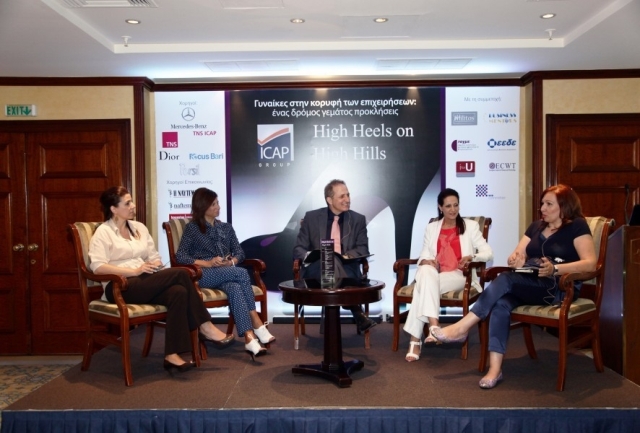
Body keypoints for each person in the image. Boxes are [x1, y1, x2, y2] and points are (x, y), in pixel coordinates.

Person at [431, 184, 597, 389]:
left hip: (557, 287)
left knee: (506, 279)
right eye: (542, 204)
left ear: (564, 206)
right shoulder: (536, 227)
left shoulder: (577, 226)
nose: (542, 208)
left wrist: (555, 269)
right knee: (501, 304)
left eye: (548, 204)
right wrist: (515, 260)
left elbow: (590, 263)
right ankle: (495, 370)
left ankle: (463, 327)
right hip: (529, 282)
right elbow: (518, 255)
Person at [89, 186, 234, 372]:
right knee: (182, 273)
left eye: (132, 201)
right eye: (127, 203)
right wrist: (134, 271)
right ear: (113, 209)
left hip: (145, 281)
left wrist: (155, 265)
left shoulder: (139, 228)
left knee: (178, 292)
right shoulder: (103, 232)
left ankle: (172, 355)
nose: (133, 206)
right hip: (119, 286)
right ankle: (205, 326)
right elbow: (98, 267)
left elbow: (154, 256)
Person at [175, 187, 275, 360]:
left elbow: (240, 252)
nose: (218, 207)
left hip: (227, 272)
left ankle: (249, 337)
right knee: (242, 274)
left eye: (217, 203)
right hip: (203, 274)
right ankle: (256, 321)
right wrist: (207, 263)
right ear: (202, 206)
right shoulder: (193, 228)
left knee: (235, 287)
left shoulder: (226, 228)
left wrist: (231, 262)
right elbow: (181, 256)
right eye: (213, 204)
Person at [404, 188, 493, 362]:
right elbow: (424, 254)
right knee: (426, 272)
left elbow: (488, 252)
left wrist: (471, 257)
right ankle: (434, 327)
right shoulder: (432, 227)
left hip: (460, 275)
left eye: (456, 205)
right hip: (435, 275)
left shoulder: (470, 226)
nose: (453, 209)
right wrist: (427, 261)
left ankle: (415, 341)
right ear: (440, 207)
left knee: (422, 287)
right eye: (448, 206)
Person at [293, 179, 376, 332]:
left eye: (348, 195)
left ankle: (343, 320)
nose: (347, 199)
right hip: (317, 271)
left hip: (347, 269)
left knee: (333, 260)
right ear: (329, 200)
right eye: (342, 196)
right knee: (328, 259)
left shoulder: (357, 219)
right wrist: (312, 256)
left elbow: (363, 248)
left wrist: (343, 257)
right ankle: (356, 311)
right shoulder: (312, 218)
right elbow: (299, 249)